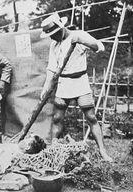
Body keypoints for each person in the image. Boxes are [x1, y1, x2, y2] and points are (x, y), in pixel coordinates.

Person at [39, 13, 113, 162]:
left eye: (53, 34)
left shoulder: (78, 35)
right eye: (50, 35)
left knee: (91, 117)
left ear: (61, 28)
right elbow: (51, 69)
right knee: (57, 118)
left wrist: (81, 40)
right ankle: (53, 150)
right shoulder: (54, 45)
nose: (52, 37)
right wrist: (46, 87)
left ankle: (103, 152)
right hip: (63, 83)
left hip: (80, 81)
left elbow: (100, 47)